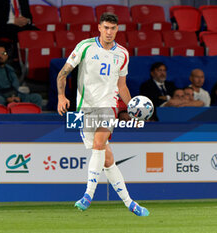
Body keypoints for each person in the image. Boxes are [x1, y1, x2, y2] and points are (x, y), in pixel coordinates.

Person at [56, 12, 149, 216]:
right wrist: (61, 96)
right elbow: (63, 72)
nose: (109, 32)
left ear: (118, 29)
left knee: (99, 144)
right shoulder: (85, 46)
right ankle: (130, 203)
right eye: (105, 27)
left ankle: (88, 194)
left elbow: (122, 86)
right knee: (107, 159)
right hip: (85, 107)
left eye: (113, 28)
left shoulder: (123, 54)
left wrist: (132, 107)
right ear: (99, 27)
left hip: (108, 107)